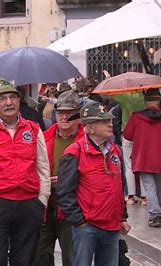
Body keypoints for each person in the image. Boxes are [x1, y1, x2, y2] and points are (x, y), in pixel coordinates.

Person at [0, 79, 51, 265]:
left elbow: (43, 167)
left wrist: (42, 199)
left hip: (29, 204)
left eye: (13, 97)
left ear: (19, 101)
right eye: (2, 99)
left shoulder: (33, 129)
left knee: (25, 260)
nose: (8, 102)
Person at [56, 101, 131, 266]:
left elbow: (118, 187)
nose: (110, 124)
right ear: (90, 128)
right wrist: (79, 221)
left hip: (111, 227)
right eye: (104, 121)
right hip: (87, 227)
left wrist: (122, 217)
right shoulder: (74, 152)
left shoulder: (114, 151)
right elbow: (64, 192)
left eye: (110, 120)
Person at [34, 90, 84, 266]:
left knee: (72, 259)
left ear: (79, 115)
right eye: (61, 113)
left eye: (69, 113)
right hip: (45, 207)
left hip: (72, 210)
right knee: (39, 258)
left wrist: (64, 182)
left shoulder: (86, 141)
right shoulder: (43, 138)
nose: (64, 117)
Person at [123, 89, 161, 228]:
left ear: (145, 101)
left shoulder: (136, 117)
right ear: (158, 101)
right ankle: (156, 213)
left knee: (149, 187)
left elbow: (128, 135)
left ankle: (154, 215)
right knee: (156, 186)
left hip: (143, 157)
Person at [111, 92, 147, 205]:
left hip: (127, 132)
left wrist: (107, 77)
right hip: (143, 132)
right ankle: (144, 197)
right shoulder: (145, 98)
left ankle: (131, 196)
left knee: (128, 165)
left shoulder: (125, 97)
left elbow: (112, 94)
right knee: (142, 164)